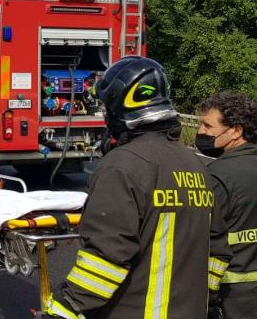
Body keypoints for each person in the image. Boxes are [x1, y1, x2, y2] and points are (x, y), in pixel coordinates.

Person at [44, 56, 230, 319]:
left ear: (120, 108)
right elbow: (217, 251)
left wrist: (65, 308)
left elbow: (106, 257)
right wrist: (207, 301)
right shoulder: (195, 165)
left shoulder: (121, 166)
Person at [198, 92, 257, 319]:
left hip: (234, 298)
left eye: (207, 125)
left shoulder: (217, 177)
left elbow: (207, 242)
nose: (201, 131)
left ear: (236, 131)